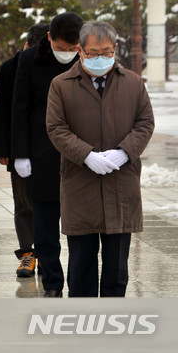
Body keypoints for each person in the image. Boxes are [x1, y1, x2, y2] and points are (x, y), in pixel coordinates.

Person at [47, 21, 154, 297]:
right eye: (93, 53)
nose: (100, 58)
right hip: (80, 182)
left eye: (106, 52)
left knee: (117, 268)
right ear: (80, 51)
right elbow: (56, 128)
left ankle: (111, 323)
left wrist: (124, 152)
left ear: (115, 49)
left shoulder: (132, 83)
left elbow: (145, 123)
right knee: (81, 266)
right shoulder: (61, 85)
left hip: (121, 183)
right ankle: (83, 324)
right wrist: (86, 155)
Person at [11, 12, 83, 297]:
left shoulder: (87, 57)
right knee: (44, 228)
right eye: (62, 48)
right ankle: (52, 283)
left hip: (80, 153)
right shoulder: (29, 61)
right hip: (40, 152)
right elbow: (20, 107)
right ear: (49, 38)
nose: (67, 54)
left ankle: (79, 282)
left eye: (72, 49)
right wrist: (20, 153)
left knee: (79, 227)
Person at [0, 23, 49, 277]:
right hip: (19, 147)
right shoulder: (8, 69)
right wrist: (2, 148)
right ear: (26, 45)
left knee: (52, 204)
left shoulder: (59, 65)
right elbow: (1, 110)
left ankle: (47, 254)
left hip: (53, 147)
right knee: (24, 203)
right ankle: (27, 253)